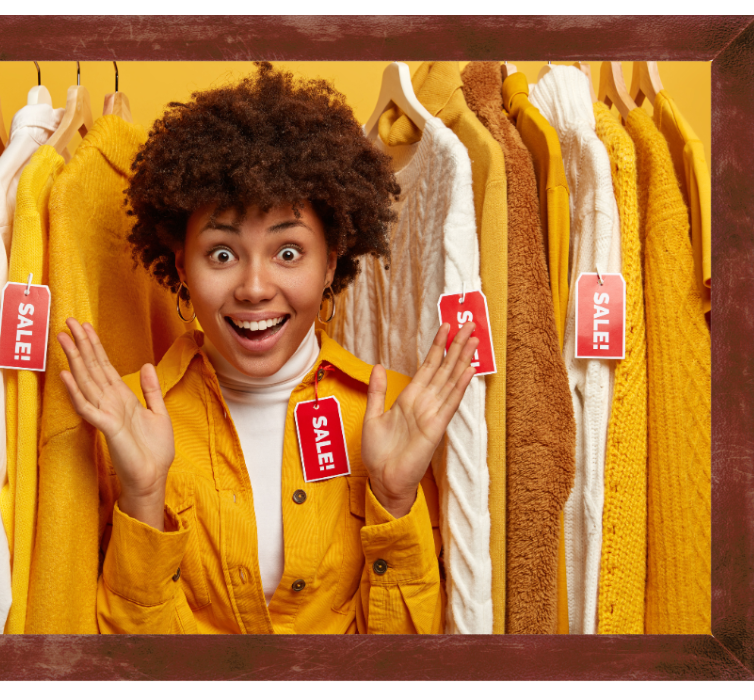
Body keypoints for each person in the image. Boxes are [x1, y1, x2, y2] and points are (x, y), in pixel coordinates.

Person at [56, 62, 479, 634]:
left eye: (288, 252)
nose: (255, 287)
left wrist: (394, 497)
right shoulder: (124, 424)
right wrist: (144, 493)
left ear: (332, 262)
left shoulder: (399, 418)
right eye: (223, 254)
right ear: (181, 265)